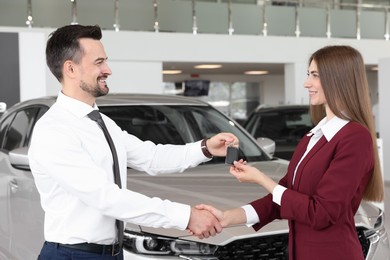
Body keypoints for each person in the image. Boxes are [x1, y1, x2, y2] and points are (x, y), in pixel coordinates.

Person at [28, 24, 238, 260]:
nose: (108, 69)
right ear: (71, 69)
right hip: (73, 255)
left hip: (112, 254)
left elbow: (152, 157)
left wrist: (205, 148)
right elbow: (106, 197)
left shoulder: (101, 122)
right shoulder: (55, 130)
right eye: (99, 62)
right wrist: (187, 216)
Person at [197, 45, 384, 260]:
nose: (307, 83)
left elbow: (321, 213)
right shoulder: (313, 136)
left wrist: (261, 179)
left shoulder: (354, 137)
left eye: (315, 75)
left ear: (337, 79)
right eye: (308, 74)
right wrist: (228, 217)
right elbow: (283, 197)